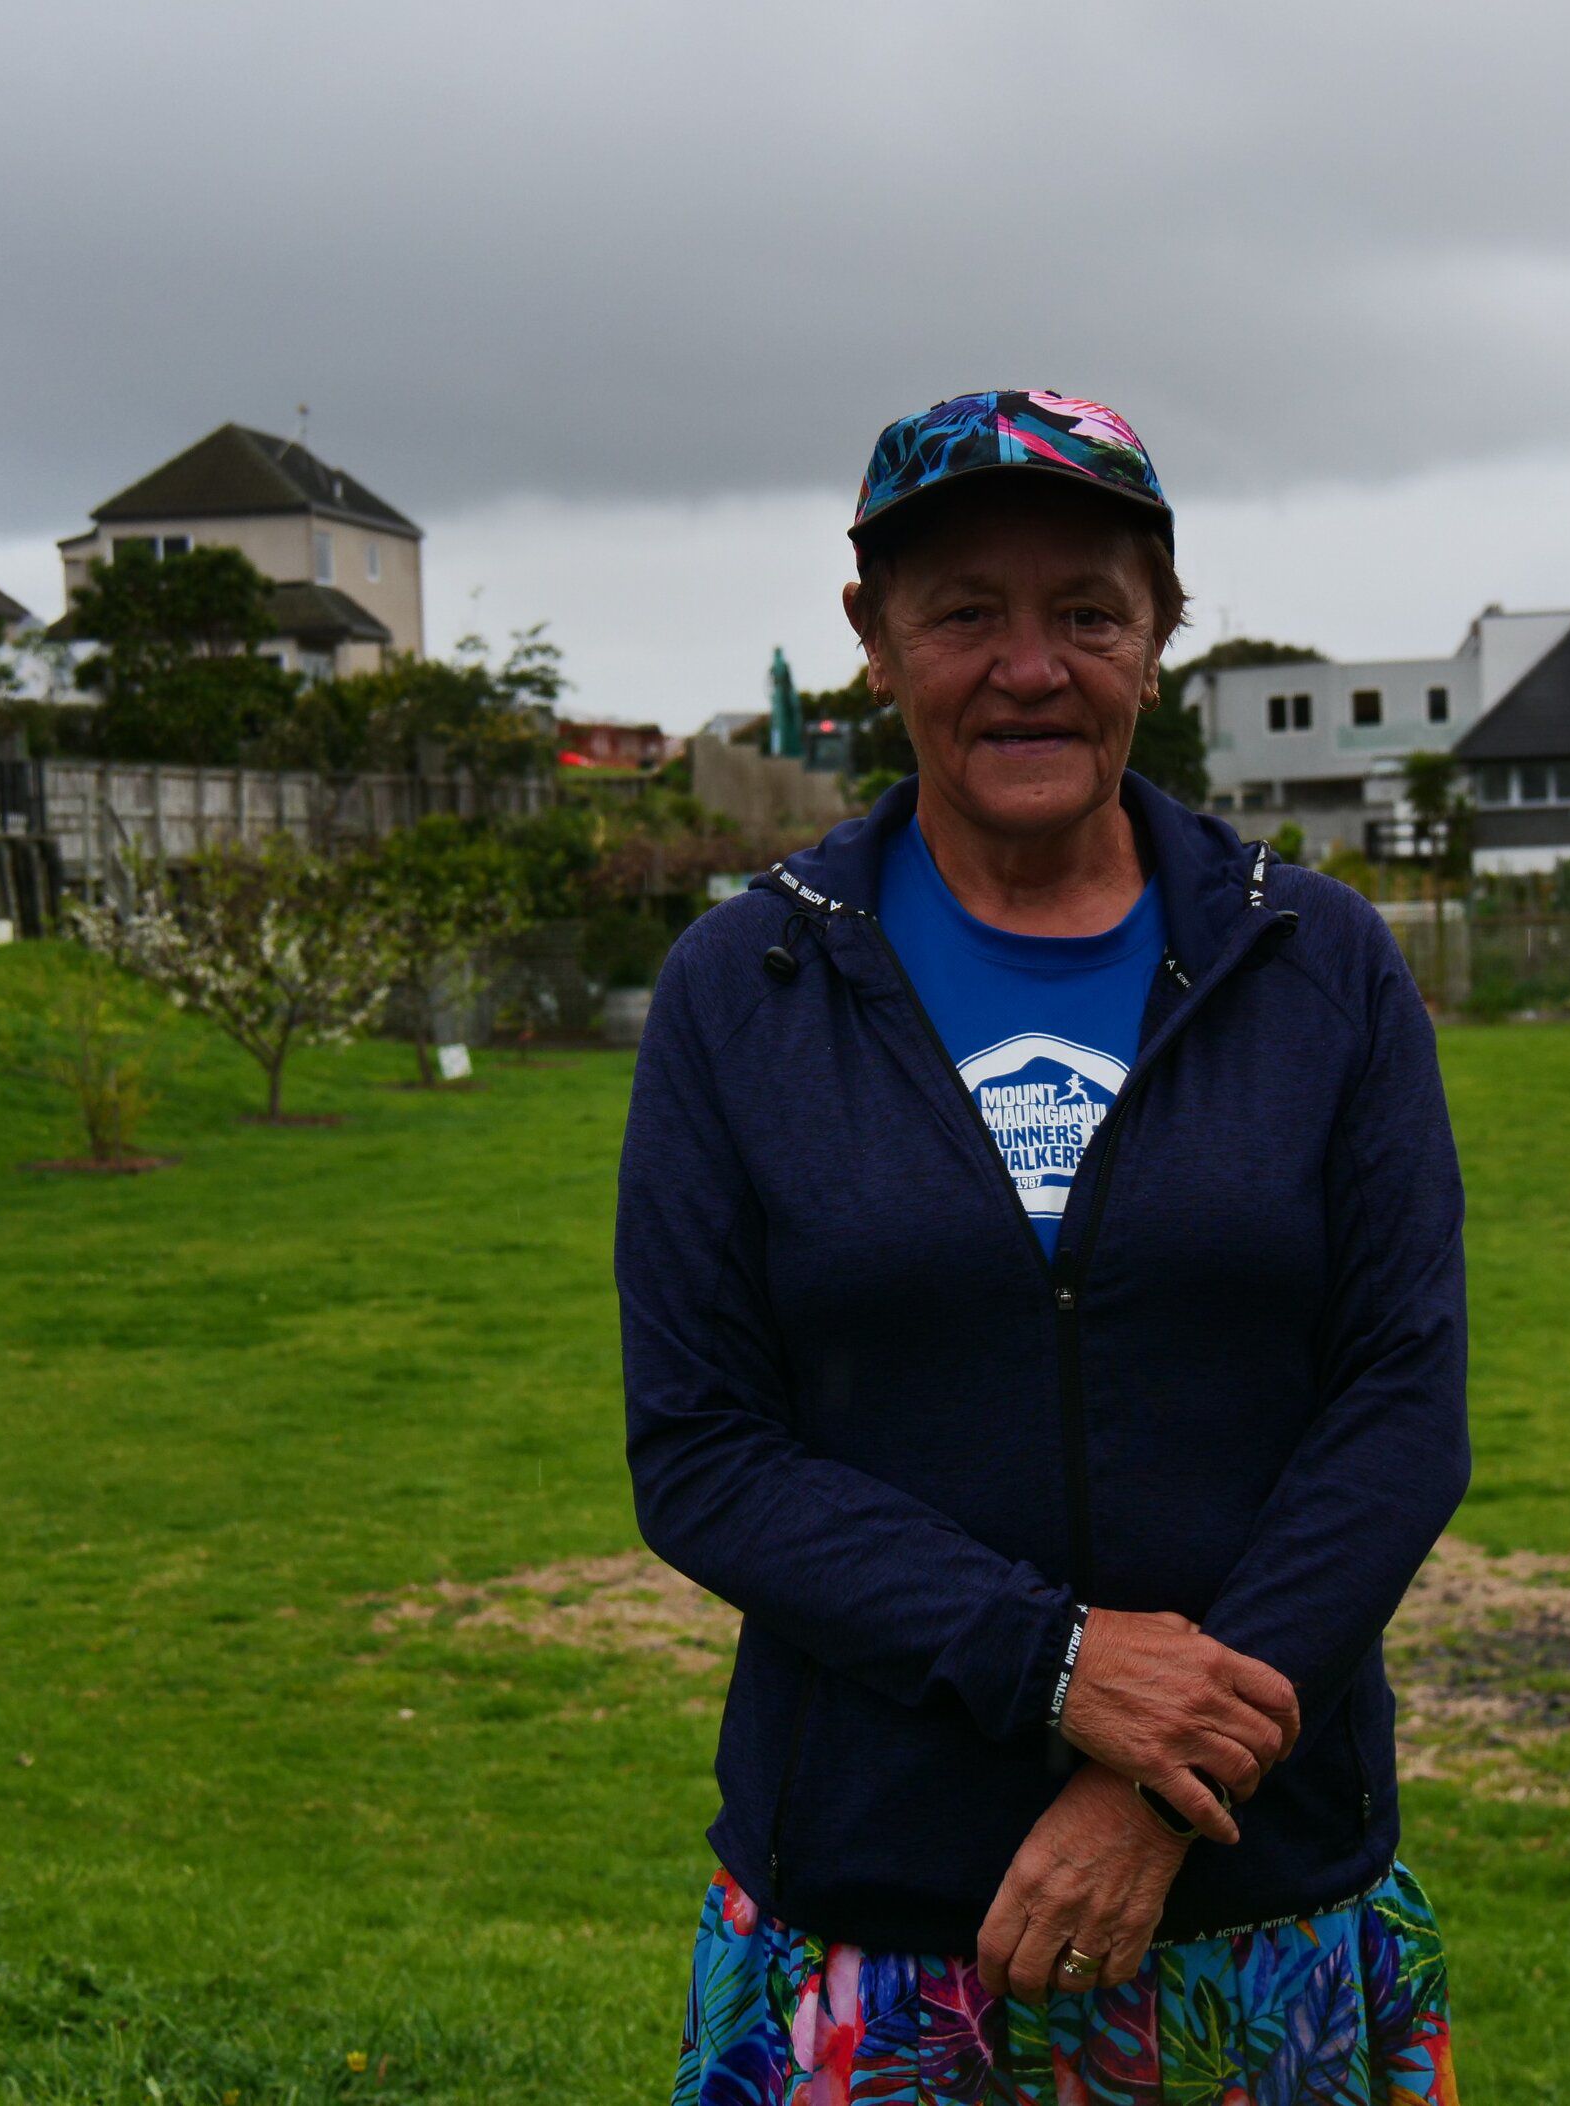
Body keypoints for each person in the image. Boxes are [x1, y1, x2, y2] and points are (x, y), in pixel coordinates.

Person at [620, 390, 1469, 2103]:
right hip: (873, 1930)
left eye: (1087, 609)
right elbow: (706, 1451)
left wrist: (1158, 1779)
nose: (1031, 665)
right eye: (963, 614)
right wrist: (1061, 1666)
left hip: (1259, 1915)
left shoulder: (1317, 966)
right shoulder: (745, 989)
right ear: (872, 639)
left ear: (1161, 629)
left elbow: (1396, 1411)